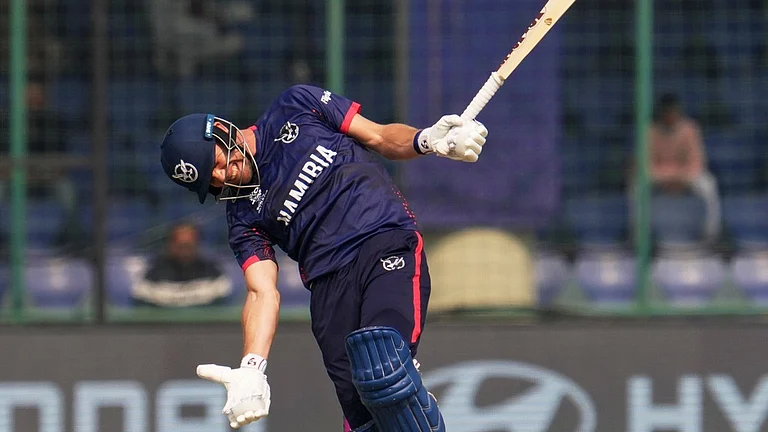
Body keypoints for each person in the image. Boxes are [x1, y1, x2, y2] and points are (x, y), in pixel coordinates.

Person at [159, 84, 487, 431]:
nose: (222, 177)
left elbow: (378, 136)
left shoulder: (295, 105)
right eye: (210, 181)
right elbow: (261, 291)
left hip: (383, 243)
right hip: (329, 289)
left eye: (216, 163)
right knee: (365, 423)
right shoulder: (242, 218)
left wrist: (427, 141)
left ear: (222, 130)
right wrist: (252, 367)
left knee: (384, 364)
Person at [648, 93, 721, 240]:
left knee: (709, 185)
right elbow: (646, 165)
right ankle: (639, 234)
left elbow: (697, 162)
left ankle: (711, 234)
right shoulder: (650, 131)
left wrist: (680, 177)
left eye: (673, 111)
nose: (670, 115)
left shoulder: (690, 129)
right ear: (661, 113)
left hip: (686, 176)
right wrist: (668, 178)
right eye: (667, 112)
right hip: (660, 178)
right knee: (637, 187)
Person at [132, 222, 232, 307]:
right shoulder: (153, 274)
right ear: (170, 245)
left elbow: (222, 304)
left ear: (197, 244)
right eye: (180, 245)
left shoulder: (213, 273)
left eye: (188, 245)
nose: (184, 251)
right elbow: (142, 306)